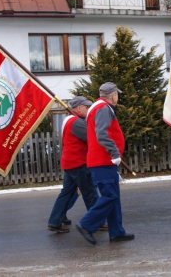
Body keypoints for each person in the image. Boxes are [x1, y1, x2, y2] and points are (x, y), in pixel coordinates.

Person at [76, 82, 134, 245]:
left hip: (103, 160)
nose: (118, 97)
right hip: (102, 160)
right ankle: (86, 225)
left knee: (113, 197)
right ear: (113, 95)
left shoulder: (98, 107)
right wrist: (115, 152)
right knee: (110, 196)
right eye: (117, 94)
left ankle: (116, 232)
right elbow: (101, 134)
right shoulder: (102, 108)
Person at [47, 96, 98, 233]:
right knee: (90, 193)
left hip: (69, 163)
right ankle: (96, 222)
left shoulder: (68, 120)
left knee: (66, 193)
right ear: (79, 108)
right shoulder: (77, 123)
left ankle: (54, 221)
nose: (88, 110)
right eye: (86, 107)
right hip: (79, 163)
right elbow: (93, 138)